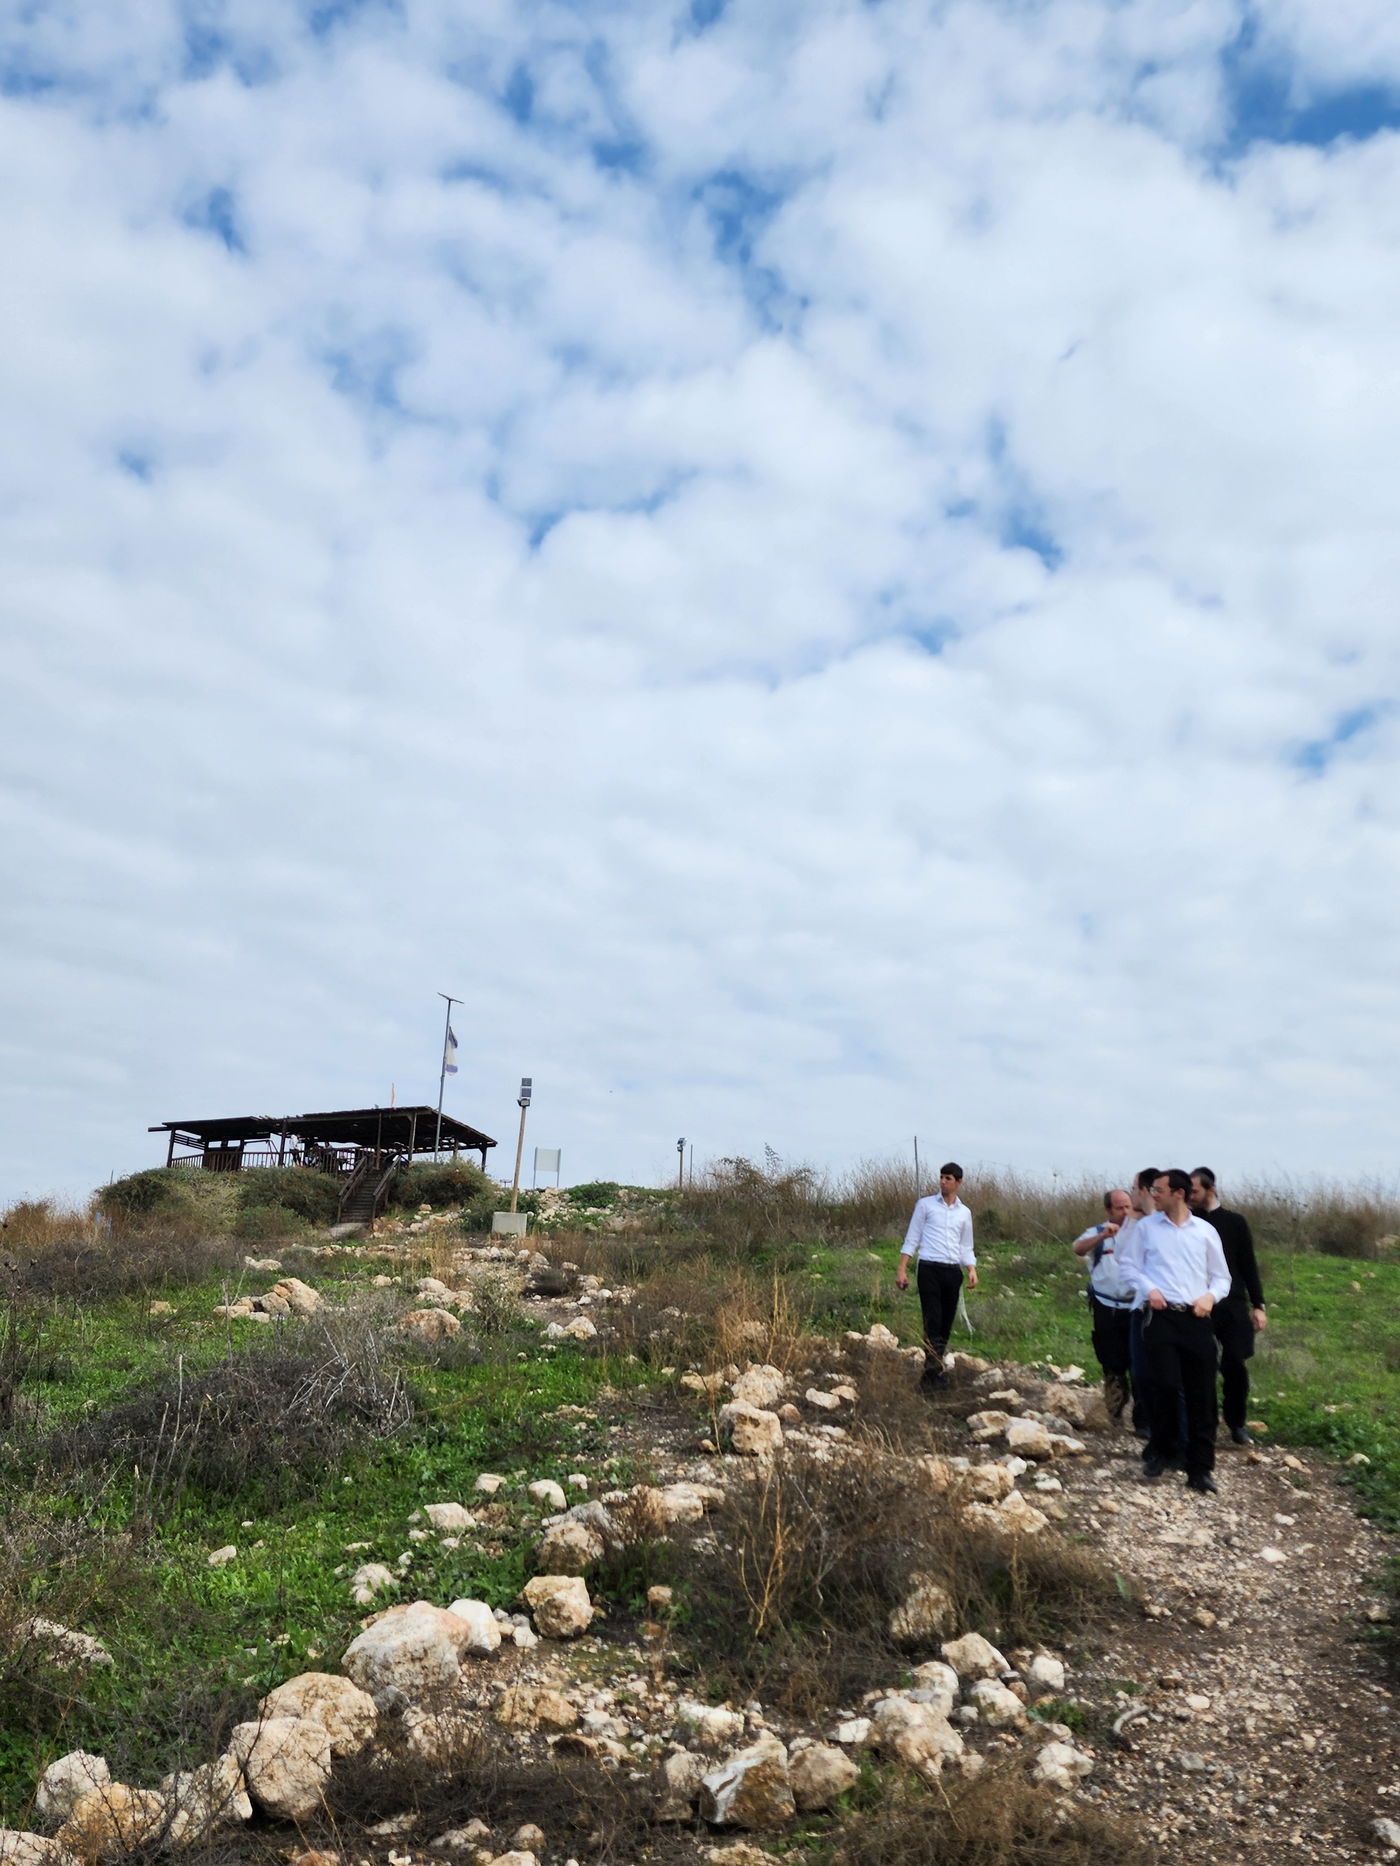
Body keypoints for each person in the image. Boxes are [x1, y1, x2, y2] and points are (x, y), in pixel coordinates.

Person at [1117, 1169, 1232, 1493]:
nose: (1153, 1194)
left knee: (1202, 1395)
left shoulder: (1205, 1231)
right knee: (1162, 1387)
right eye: (1152, 1189)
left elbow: (1221, 1277)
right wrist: (1149, 1289)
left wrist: (1210, 1297)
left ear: (1178, 1193)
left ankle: (1201, 1468)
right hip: (1161, 1316)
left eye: (1159, 1189)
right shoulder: (1147, 1229)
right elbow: (1129, 1265)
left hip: (1196, 1318)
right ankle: (1162, 1451)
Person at [1189, 1167, 1267, 1446]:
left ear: (1211, 1190)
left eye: (1195, 1190)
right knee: (1202, 1364)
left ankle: (1237, 1423)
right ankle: (1205, 1423)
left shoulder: (1235, 1222)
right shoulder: (1188, 1222)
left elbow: (1248, 1265)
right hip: (1199, 1304)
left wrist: (1258, 1304)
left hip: (1232, 1303)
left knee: (1235, 1362)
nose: (1190, 1195)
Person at [896, 1162, 978, 1390]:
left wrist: (971, 1269)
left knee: (945, 1324)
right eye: (941, 1177)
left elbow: (966, 1245)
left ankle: (933, 1372)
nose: (943, 1182)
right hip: (929, 1268)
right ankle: (931, 1374)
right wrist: (902, 1269)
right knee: (932, 1320)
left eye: (948, 1178)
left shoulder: (964, 1213)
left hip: (952, 1271)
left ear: (958, 1182)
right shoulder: (925, 1206)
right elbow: (912, 1238)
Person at [1072, 1188, 1136, 1423]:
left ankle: (1143, 1417)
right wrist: (1102, 1237)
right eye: (1120, 1207)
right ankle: (1115, 1408)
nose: (1125, 1211)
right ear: (1109, 1210)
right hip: (1105, 1305)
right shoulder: (1097, 1233)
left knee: (1138, 1360)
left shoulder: (1140, 1233)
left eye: (1128, 1206)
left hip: (1135, 1307)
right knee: (1110, 1359)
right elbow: (1078, 1248)